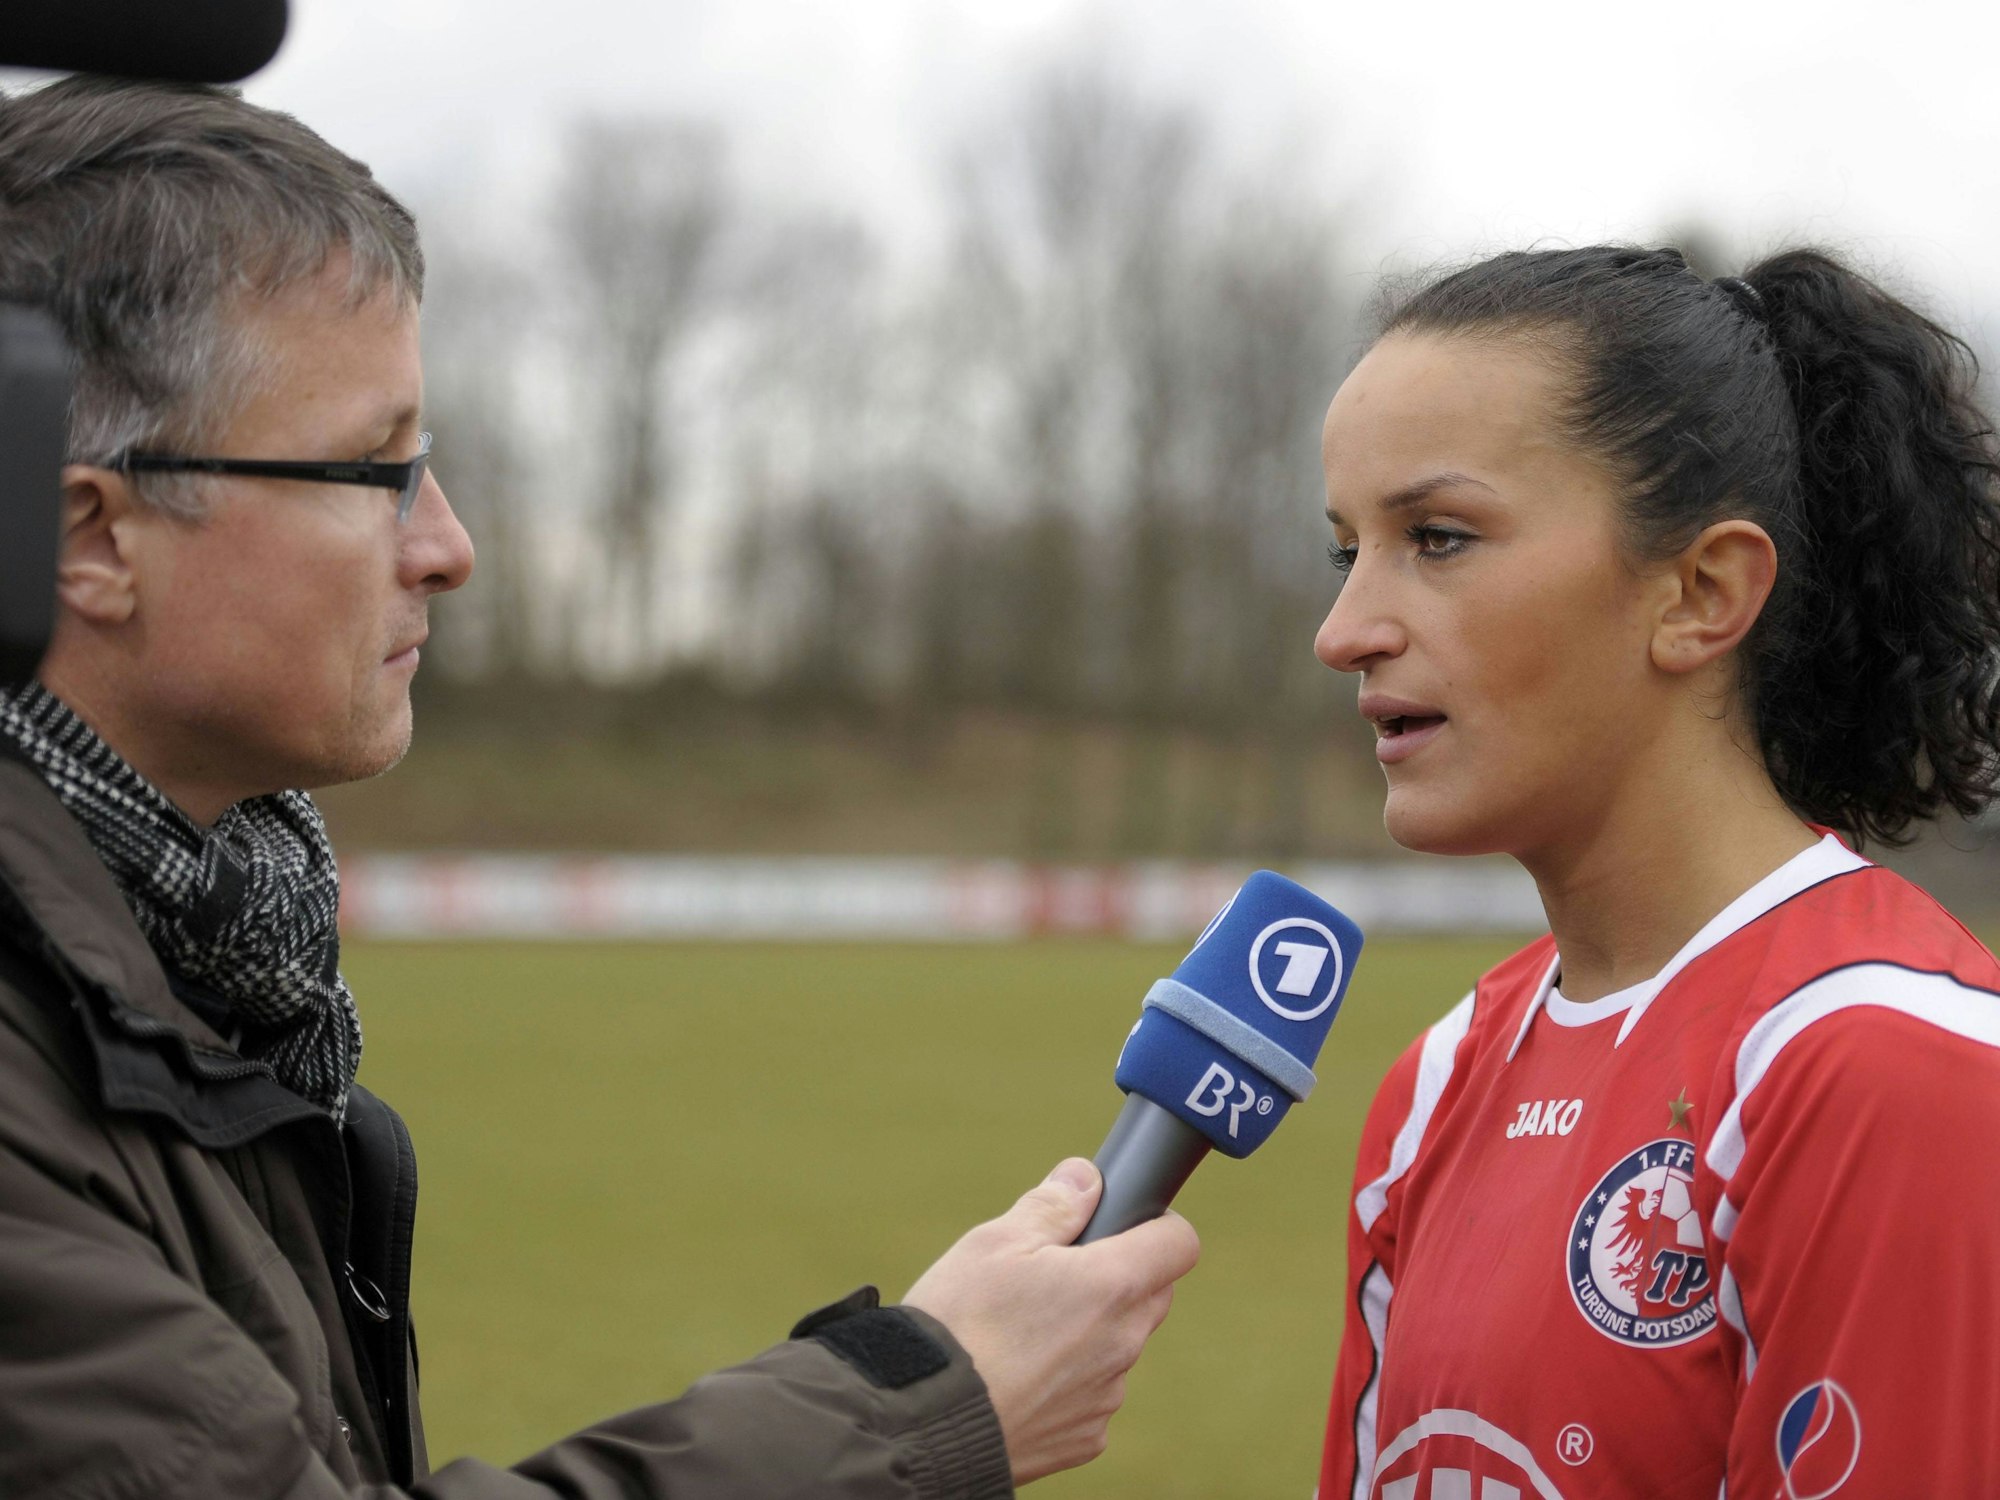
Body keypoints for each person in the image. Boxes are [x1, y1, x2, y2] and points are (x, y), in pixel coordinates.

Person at [0, 76, 1198, 1500]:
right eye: (375, 470)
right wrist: (925, 1408)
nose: (445, 546)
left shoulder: (197, 958)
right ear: (92, 534)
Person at [1310, 246, 2000, 1499]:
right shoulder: (1431, 1090)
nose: (1343, 629)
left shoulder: (1883, 1069)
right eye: (1343, 550)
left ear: (1699, 592)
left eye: (1438, 538)